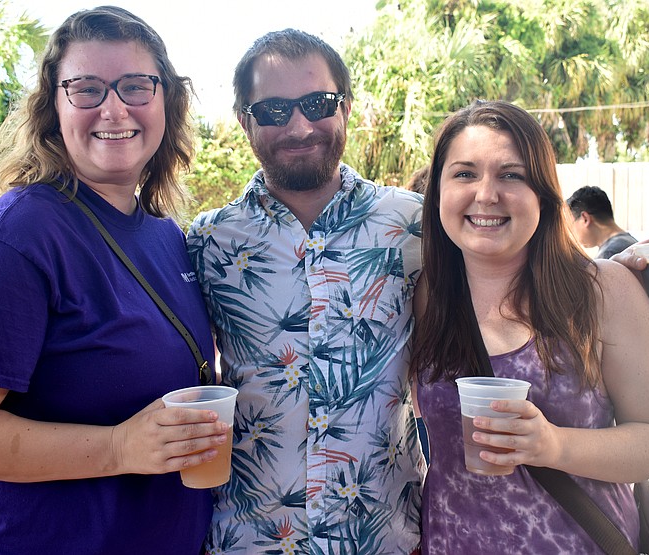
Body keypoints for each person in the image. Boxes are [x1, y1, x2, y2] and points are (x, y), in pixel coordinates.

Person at [0, 7, 226, 554]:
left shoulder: (165, 235)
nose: (114, 108)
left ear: (166, 100)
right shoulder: (15, 240)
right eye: (87, 89)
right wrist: (118, 448)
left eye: (135, 86)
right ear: (54, 105)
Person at [186, 29, 426, 553]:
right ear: (243, 119)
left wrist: (623, 267)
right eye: (273, 110)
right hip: (251, 539)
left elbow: (514, 278)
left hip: (382, 537)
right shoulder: (207, 242)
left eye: (318, 104)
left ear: (345, 107)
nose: (299, 126)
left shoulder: (413, 225)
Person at [412, 100, 649, 553]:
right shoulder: (424, 295)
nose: (486, 194)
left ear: (543, 193)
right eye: (464, 173)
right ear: (438, 191)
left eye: (511, 175)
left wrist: (554, 446)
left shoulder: (602, 291)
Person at [567, 185, 638, 258]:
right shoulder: (631, 243)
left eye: (570, 225)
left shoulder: (609, 254)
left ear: (585, 219)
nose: (571, 233)